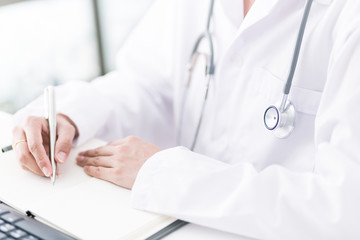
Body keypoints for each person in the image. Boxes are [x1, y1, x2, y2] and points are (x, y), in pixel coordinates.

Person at [11, 0, 360, 239]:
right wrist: (71, 116)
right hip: (169, 225)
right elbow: (146, 85)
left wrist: (168, 176)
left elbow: (344, 208)